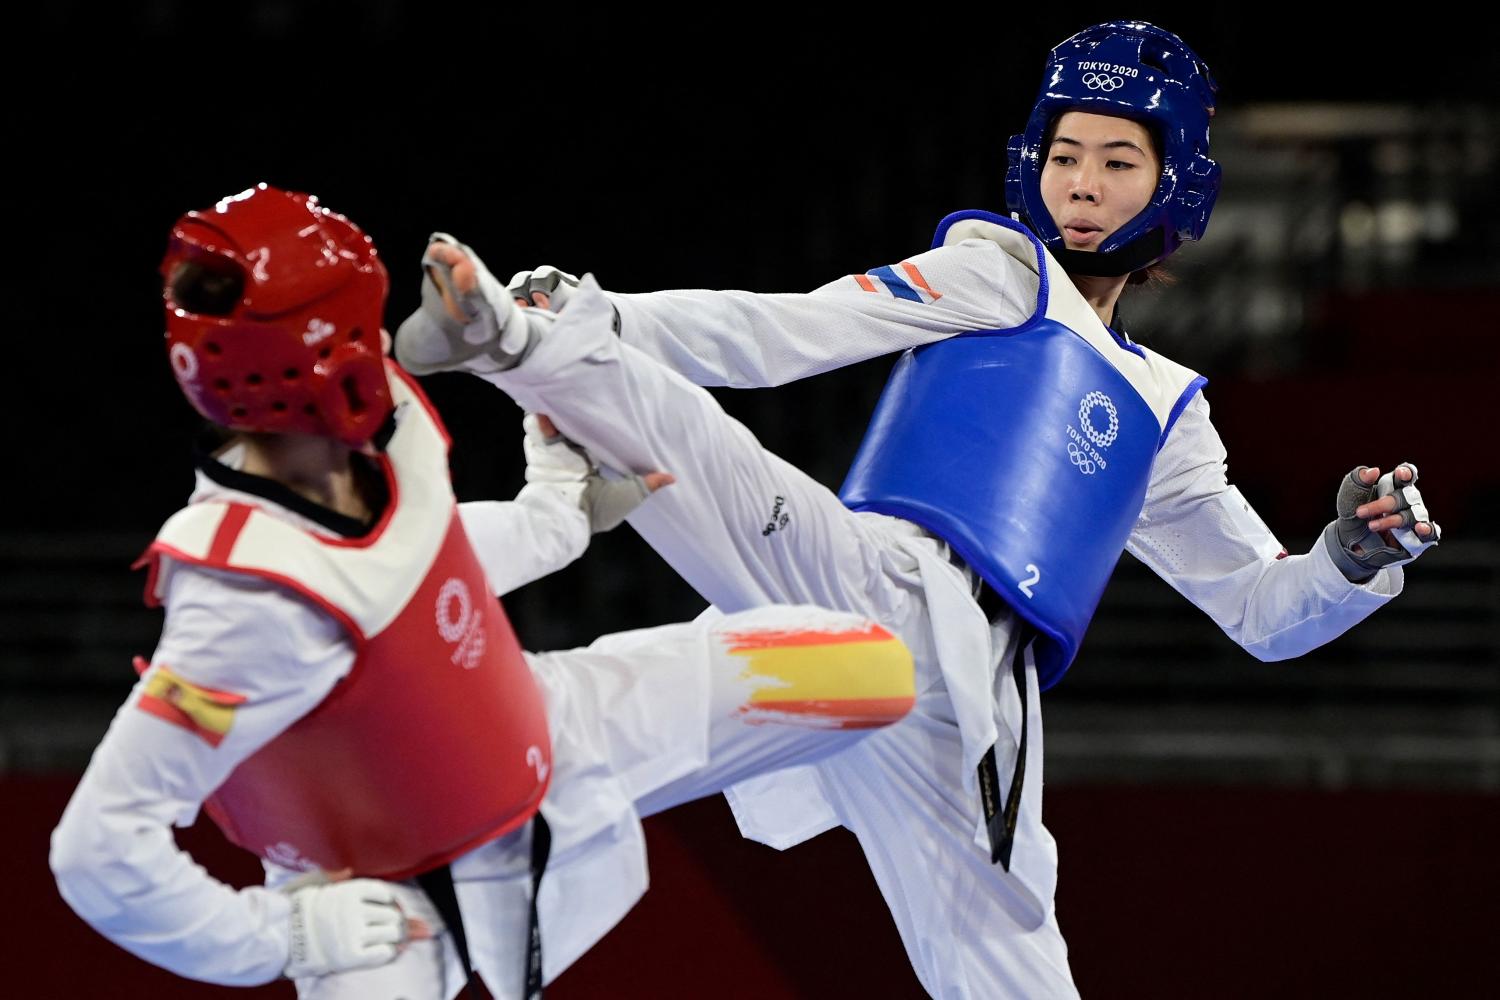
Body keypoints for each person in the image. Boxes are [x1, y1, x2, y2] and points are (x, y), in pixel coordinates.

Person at [393, 20, 1442, 999]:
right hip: (875, 581)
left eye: (1118, 163)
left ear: (1178, 184)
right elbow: (784, 331)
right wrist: (608, 311)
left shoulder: (1170, 411)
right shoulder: (1000, 271)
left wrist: (1347, 556)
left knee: (1017, 977)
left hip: (978, 711)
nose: (1080, 184)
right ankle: (525, 334)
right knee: (709, 467)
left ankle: (506, 806)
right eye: (1065, 154)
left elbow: (1260, 609)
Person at [48, 184, 918, 999]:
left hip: (537, 723)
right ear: (331, 345)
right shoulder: (241, 603)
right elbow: (97, 849)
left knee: (878, 674)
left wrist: (558, 516)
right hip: (384, 894)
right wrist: (279, 935)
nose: (383, 343)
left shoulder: (384, 412)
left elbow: (414, 561)